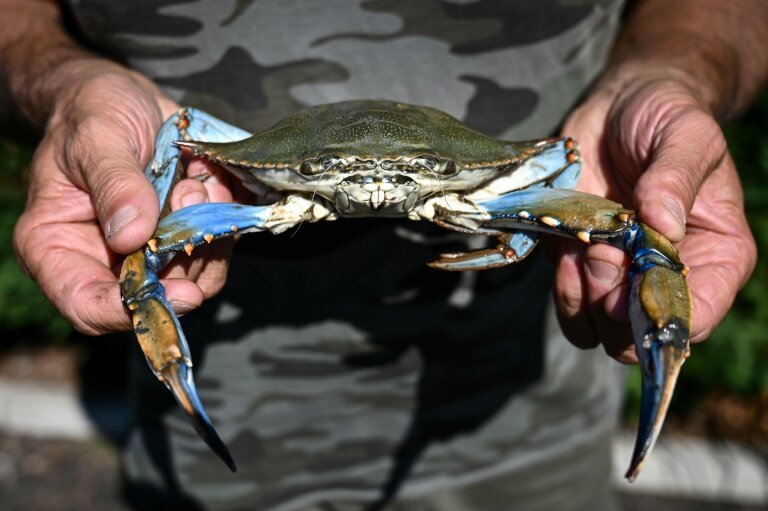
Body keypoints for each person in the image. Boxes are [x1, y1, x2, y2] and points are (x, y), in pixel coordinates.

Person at [3, 0, 764, 510]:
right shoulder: (223, 157)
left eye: (405, 178)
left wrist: (674, 71)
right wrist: (64, 82)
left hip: (527, 445)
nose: (373, 190)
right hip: (202, 463)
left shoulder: (538, 170)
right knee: (144, 264)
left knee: (641, 234)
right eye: (338, 176)